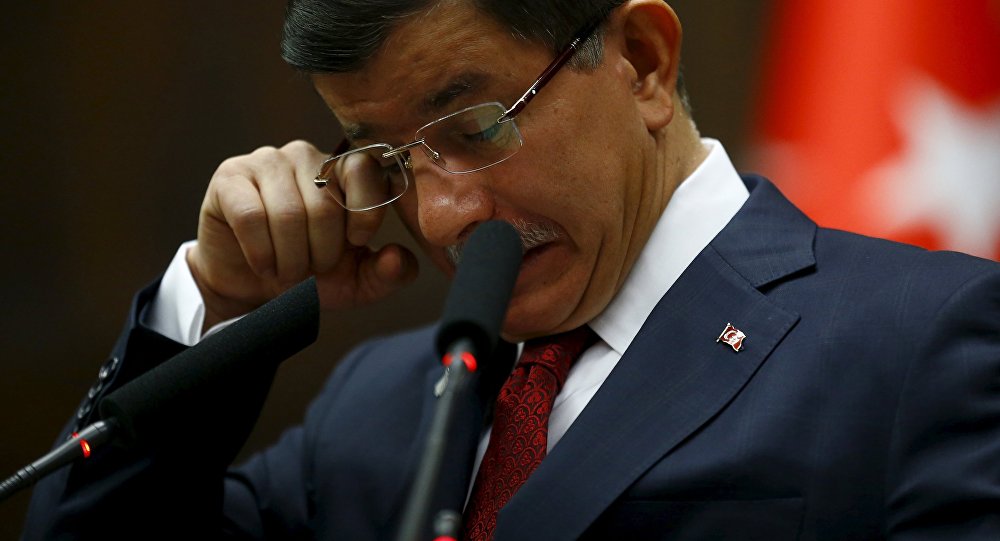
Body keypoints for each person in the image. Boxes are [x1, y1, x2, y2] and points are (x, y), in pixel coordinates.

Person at [22, 0, 1000, 539]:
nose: (443, 216)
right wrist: (213, 297)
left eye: (479, 126)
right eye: (392, 161)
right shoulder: (375, 408)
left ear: (642, 62)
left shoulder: (920, 344)